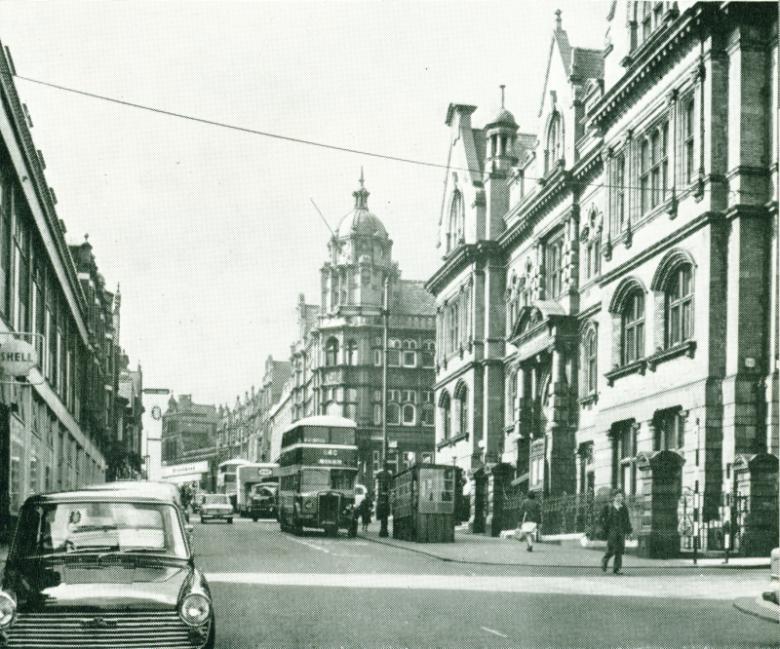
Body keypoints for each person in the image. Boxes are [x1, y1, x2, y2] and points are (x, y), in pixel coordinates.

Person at [601, 488, 633, 575]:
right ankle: (605, 560)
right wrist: (604, 527)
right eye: (617, 496)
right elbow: (601, 518)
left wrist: (629, 532)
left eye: (621, 496)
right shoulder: (608, 507)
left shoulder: (624, 507)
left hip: (621, 531)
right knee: (611, 549)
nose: (620, 498)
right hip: (612, 531)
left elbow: (627, 520)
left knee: (619, 550)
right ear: (614, 497)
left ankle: (617, 569)